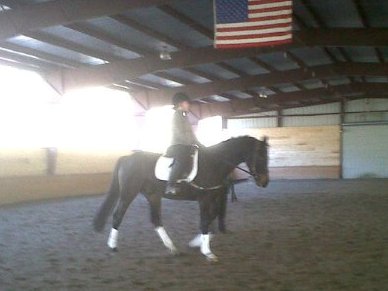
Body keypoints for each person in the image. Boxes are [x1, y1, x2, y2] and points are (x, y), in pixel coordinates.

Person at [165, 92, 201, 195]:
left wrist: (200, 144)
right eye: (187, 103)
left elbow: (191, 134)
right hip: (177, 145)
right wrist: (189, 142)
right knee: (181, 159)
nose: (189, 105)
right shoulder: (176, 115)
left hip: (186, 145)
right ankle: (170, 185)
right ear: (180, 104)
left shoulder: (185, 117)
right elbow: (179, 132)